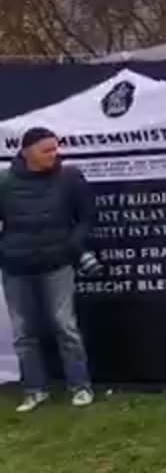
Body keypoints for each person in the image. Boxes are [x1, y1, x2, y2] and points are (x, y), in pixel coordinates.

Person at [0, 127, 97, 412]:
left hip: (57, 263)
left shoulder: (70, 177)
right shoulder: (4, 182)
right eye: (47, 150)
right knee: (23, 332)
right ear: (27, 152)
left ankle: (80, 387)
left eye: (56, 149)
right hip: (16, 267)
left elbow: (86, 216)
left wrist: (73, 245)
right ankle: (34, 390)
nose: (55, 155)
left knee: (65, 326)